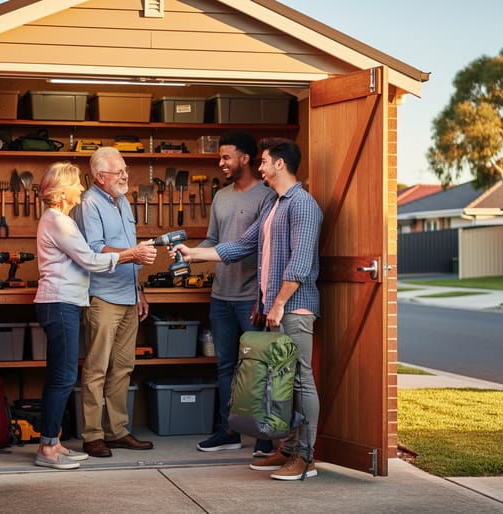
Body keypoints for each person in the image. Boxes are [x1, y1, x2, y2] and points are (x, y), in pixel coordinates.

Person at [171, 138, 323, 480]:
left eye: (265, 161)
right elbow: (240, 245)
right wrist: (193, 254)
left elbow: (299, 265)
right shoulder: (274, 207)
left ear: (280, 164)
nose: (260, 167)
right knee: (280, 383)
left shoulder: (303, 205)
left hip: (294, 310)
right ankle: (287, 449)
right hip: (275, 309)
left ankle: (307, 457)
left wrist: (280, 303)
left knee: (300, 381)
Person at [32, 161, 155, 470]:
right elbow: (89, 259)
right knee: (63, 377)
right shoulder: (57, 221)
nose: (82, 188)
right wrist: (132, 254)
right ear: (62, 191)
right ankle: (47, 448)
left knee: (61, 376)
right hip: (59, 303)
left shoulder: (61, 219)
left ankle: (54, 444)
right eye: (76, 184)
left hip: (66, 303)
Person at [195, 132, 277, 457]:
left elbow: (259, 245)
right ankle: (228, 431)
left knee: (256, 367)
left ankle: (263, 437)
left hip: (251, 299)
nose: (221, 163)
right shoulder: (221, 197)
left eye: (226, 157)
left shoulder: (266, 197)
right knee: (225, 366)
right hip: (221, 297)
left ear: (245, 158)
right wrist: (186, 254)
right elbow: (212, 240)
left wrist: (262, 298)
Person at [73, 146, 158, 458]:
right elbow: (95, 250)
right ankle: (93, 435)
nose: (126, 176)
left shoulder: (122, 200)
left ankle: (117, 430)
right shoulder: (89, 203)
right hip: (103, 296)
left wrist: (140, 290)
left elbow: (126, 247)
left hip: (128, 295)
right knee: (97, 368)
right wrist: (134, 255)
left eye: (125, 170)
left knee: (123, 367)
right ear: (100, 176)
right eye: (119, 171)